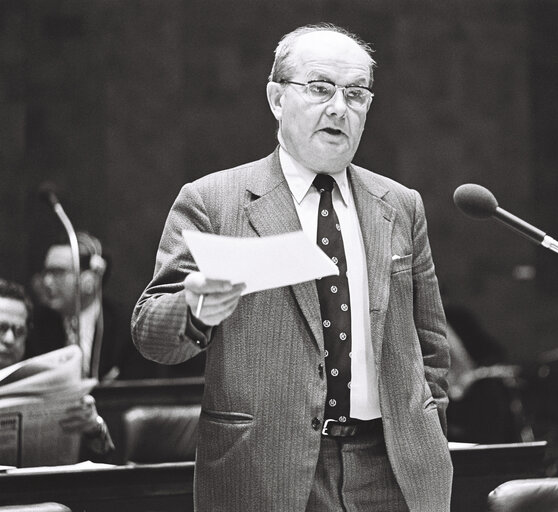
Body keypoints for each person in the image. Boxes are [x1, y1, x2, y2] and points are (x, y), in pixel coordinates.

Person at [132, 24, 451, 512]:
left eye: (357, 94)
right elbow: (149, 333)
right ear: (277, 98)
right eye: (320, 88)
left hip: (393, 470)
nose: (339, 108)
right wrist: (192, 309)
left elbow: (430, 346)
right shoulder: (214, 201)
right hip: (266, 468)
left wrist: (429, 431)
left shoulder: (400, 205)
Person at [29, 231, 171, 380]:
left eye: (57, 272)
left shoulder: (129, 326)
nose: (47, 282)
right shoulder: (37, 325)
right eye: (46, 272)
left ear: (89, 280)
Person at [0, 278, 114, 461]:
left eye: (19, 331)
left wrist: (93, 427)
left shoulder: (43, 383)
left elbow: (105, 458)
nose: (10, 339)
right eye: (1, 328)